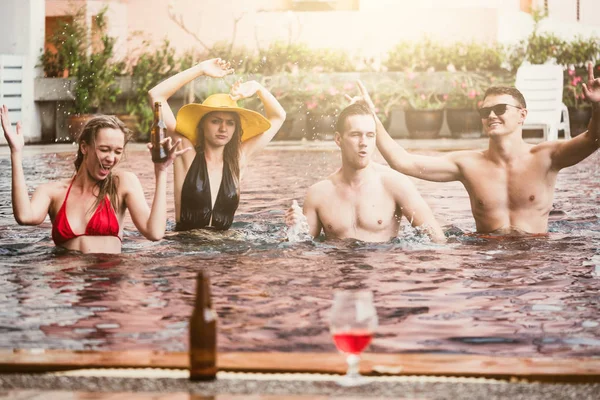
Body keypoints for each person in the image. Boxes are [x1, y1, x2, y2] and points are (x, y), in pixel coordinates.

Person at [355, 63, 600, 235]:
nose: (491, 115)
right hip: (486, 258)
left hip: (535, 261)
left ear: (522, 115)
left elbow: (593, 139)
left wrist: (598, 106)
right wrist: (372, 117)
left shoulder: (547, 157)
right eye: (485, 111)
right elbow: (403, 162)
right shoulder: (468, 164)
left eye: (501, 109)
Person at [1, 107, 187, 254]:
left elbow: (154, 233)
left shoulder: (121, 184)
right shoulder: (53, 191)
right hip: (66, 291)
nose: (111, 158)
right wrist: (16, 153)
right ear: (84, 147)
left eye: (117, 151)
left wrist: (161, 171)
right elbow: (25, 217)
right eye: (104, 149)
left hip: (109, 287)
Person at [148, 58, 286, 231]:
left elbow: (279, 116)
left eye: (230, 123)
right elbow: (156, 95)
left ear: (236, 129)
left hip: (227, 249)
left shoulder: (238, 158)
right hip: (187, 249)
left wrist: (257, 87)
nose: (223, 128)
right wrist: (200, 69)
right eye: (215, 121)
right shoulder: (185, 150)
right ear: (202, 124)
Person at [285, 101, 445, 243]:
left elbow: (437, 239)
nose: (364, 143)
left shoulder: (395, 184)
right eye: (355, 135)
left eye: (370, 135)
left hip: (382, 273)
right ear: (338, 139)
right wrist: (295, 229)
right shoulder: (318, 193)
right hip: (338, 273)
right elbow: (302, 248)